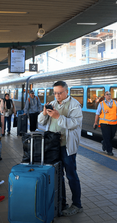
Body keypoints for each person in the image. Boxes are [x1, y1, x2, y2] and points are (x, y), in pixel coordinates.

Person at [38, 81, 83, 216]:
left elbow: (74, 124)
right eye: (55, 93)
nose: (57, 96)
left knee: (71, 175)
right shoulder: (53, 103)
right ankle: (61, 203)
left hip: (67, 146)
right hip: (53, 146)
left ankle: (77, 204)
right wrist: (45, 113)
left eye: (59, 93)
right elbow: (41, 121)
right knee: (58, 176)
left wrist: (58, 117)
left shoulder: (74, 105)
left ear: (66, 91)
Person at [93, 91, 117, 156]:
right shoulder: (101, 104)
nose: (109, 95)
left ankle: (104, 142)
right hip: (104, 123)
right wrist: (95, 122)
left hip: (114, 123)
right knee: (107, 137)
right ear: (105, 96)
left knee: (112, 135)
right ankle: (109, 151)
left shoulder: (115, 102)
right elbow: (97, 114)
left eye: (110, 94)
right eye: (107, 94)